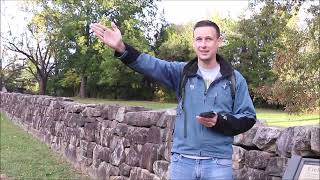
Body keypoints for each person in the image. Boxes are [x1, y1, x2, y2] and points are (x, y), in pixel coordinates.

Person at [91, 20, 256, 180]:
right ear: (193, 42)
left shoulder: (235, 79)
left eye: (208, 39)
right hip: (182, 162)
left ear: (218, 42)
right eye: (199, 39)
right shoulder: (182, 72)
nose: (203, 44)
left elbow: (248, 117)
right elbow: (152, 65)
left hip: (219, 163)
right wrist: (121, 47)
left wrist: (220, 121)